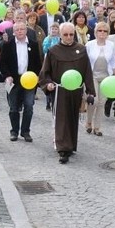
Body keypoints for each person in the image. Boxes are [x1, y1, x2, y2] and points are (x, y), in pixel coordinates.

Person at [38, 23, 95, 164]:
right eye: (65, 35)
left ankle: (70, 145)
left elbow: (87, 71)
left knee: (72, 118)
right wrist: (48, 84)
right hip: (60, 91)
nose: (69, 37)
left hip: (76, 90)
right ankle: (63, 149)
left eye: (71, 34)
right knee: (62, 119)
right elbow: (45, 72)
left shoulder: (81, 50)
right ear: (60, 35)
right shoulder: (53, 51)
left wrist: (90, 91)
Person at [0, 21, 43, 142]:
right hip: (14, 80)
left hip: (29, 80)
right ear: (13, 32)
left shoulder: (33, 44)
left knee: (29, 106)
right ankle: (14, 131)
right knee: (13, 107)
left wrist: (36, 78)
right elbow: (3, 63)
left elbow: (37, 63)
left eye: (22, 29)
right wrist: (7, 76)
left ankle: (25, 131)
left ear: (26, 31)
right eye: (17, 29)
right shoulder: (8, 45)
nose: (20, 31)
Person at [85, 21, 115, 136]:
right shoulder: (89, 44)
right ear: (95, 32)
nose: (102, 33)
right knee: (94, 101)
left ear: (108, 33)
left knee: (102, 102)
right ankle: (89, 122)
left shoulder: (111, 45)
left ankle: (97, 127)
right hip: (92, 76)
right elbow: (85, 62)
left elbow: (113, 62)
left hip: (106, 77)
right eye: (100, 30)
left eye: (105, 31)